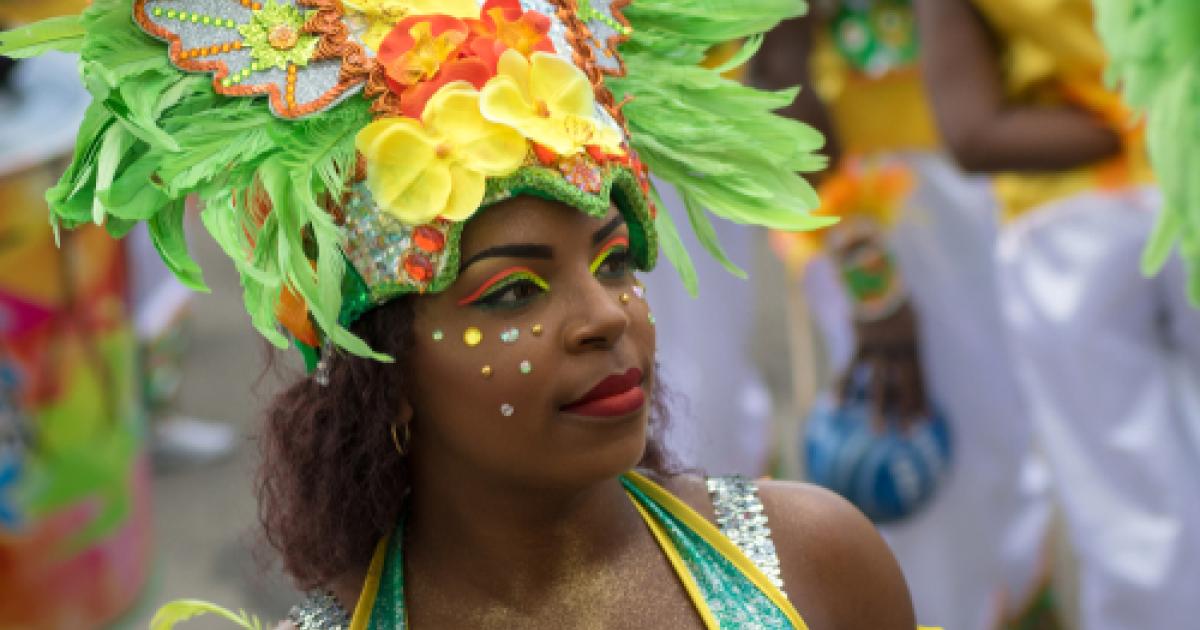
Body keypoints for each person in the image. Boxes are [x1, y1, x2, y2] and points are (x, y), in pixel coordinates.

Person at [2, 0, 938, 628]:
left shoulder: (813, 564)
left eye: (613, 262)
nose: (604, 318)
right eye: (515, 292)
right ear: (388, 374)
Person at [757, 4, 1056, 628]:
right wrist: (873, 283)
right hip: (889, 200)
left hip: (998, 182)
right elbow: (782, 64)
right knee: (919, 455)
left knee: (999, 449)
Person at [917, 1, 1200, 628]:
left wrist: (1120, 129)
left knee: (1131, 515)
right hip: (1184, 185)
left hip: (1066, 228)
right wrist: (1164, 129)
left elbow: (972, 134)